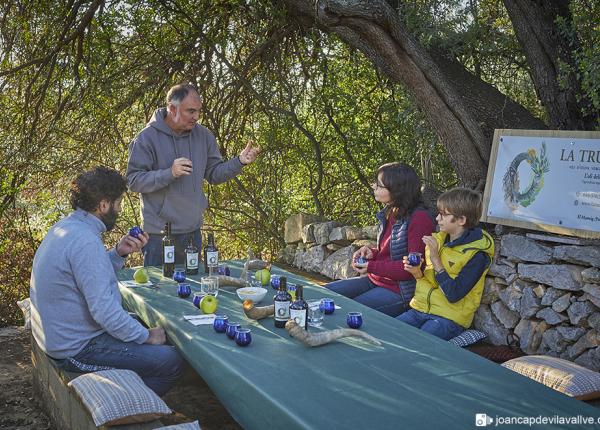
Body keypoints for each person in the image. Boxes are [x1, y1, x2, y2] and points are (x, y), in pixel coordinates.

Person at [30, 167, 183, 396]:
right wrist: (147, 337)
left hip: (66, 337)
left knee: (140, 323)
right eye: (118, 203)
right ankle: (132, 406)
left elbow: (87, 278)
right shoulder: (86, 242)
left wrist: (118, 254)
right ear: (103, 205)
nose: (120, 209)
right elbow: (104, 312)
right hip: (76, 350)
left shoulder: (68, 227)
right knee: (171, 360)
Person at [126, 83, 260, 266]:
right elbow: (134, 181)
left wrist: (239, 162)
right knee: (160, 291)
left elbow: (214, 174)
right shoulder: (146, 138)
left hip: (192, 232)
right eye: (190, 111)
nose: (196, 117)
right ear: (172, 109)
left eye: (198, 111)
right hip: (159, 236)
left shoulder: (204, 136)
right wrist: (169, 173)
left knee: (193, 290)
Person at [326, 162, 435, 316]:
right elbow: (391, 252)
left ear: (397, 189)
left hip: (400, 291)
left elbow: (410, 269)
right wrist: (372, 253)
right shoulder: (391, 211)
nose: (374, 187)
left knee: (348, 312)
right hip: (375, 280)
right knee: (323, 294)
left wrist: (371, 266)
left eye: (379, 185)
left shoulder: (419, 219)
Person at [397, 187, 494, 340]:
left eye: (443, 215)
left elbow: (453, 294)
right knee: (386, 333)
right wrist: (417, 273)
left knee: (414, 345)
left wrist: (436, 260)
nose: (437, 219)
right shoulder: (439, 240)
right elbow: (431, 282)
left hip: (448, 318)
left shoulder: (477, 254)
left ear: (461, 220)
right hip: (419, 309)